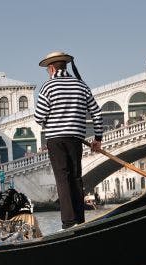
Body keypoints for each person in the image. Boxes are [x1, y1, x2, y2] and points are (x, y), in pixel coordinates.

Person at [34, 51, 103, 229]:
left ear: (51, 68)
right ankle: (80, 219)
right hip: (75, 139)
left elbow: (39, 116)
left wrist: (53, 117)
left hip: (56, 140)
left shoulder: (48, 87)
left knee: (63, 179)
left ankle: (68, 222)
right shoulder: (81, 85)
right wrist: (98, 138)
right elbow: (96, 112)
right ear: (65, 66)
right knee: (76, 178)